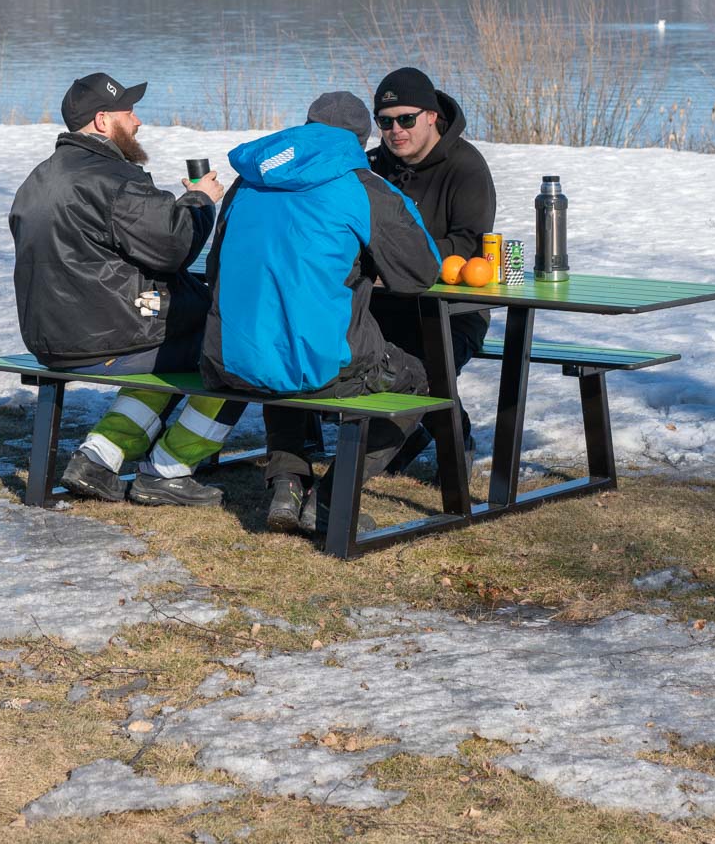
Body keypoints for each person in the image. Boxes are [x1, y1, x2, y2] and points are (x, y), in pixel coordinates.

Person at [199, 92, 443, 533]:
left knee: (284, 359)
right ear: (357, 138)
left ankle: (287, 485)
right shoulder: (362, 186)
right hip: (325, 367)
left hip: (232, 360)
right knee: (416, 381)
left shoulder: (247, 182)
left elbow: (214, 267)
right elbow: (421, 271)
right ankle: (332, 499)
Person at [8, 71, 244, 507]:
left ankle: (99, 456)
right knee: (236, 350)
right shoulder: (114, 178)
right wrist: (199, 200)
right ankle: (170, 469)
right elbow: (174, 247)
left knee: (177, 340)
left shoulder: (37, 179)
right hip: (107, 336)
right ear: (102, 122)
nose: (137, 122)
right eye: (129, 113)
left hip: (51, 338)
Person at [365, 66, 497, 472]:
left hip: (451, 311)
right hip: (380, 307)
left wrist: (396, 262)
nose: (395, 131)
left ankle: (454, 441)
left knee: (423, 369)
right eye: (384, 122)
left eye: (406, 119)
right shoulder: (370, 166)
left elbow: (468, 245)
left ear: (432, 117)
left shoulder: (467, 169)